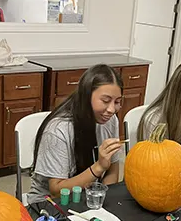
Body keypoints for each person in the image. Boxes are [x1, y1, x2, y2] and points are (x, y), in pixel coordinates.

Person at [28, 64, 124, 204]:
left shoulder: (111, 121)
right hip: (50, 203)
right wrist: (99, 167)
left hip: (87, 196)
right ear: (86, 96)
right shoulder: (58, 130)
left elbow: (113, 171)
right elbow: (56, 191)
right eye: (105, 101)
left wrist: (100, 200)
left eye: (117, 102)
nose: (111, 109)